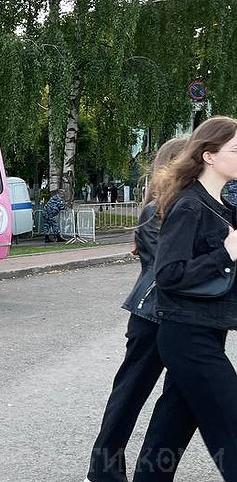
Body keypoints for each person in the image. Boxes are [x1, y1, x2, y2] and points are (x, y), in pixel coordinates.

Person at [131, 116, 237, 481]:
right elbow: (168, 275)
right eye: (236, 150)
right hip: (187, 335)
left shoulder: (221, 206)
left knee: (168, 435)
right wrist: (225, 254)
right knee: (231, 425)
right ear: (209, 155)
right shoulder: (190, 205)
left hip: (206, 332)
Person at [83, 137, 187, 482]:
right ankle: (102, 473)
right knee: (128, 397)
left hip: (184, 321)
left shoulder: (190, 207)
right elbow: (167, 269)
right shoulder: (154, 211)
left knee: (177, 401)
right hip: (151, 318)